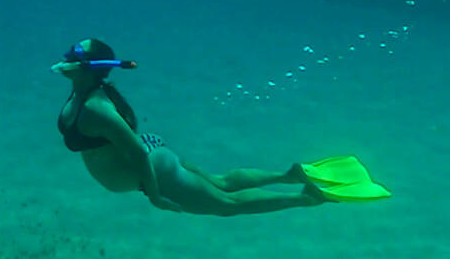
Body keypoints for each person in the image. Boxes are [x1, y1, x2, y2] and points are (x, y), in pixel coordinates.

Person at [53, 39, 324, 215]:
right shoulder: (81, 93)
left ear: (89, 66)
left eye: (75, 52)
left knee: (226, 204)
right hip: (149, 153)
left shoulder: (95, 109)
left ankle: (306, 198)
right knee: (221, 182)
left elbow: (137, 154)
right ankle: (288, 176)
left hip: (151, 168)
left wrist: (155, 195)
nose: (67, 54)